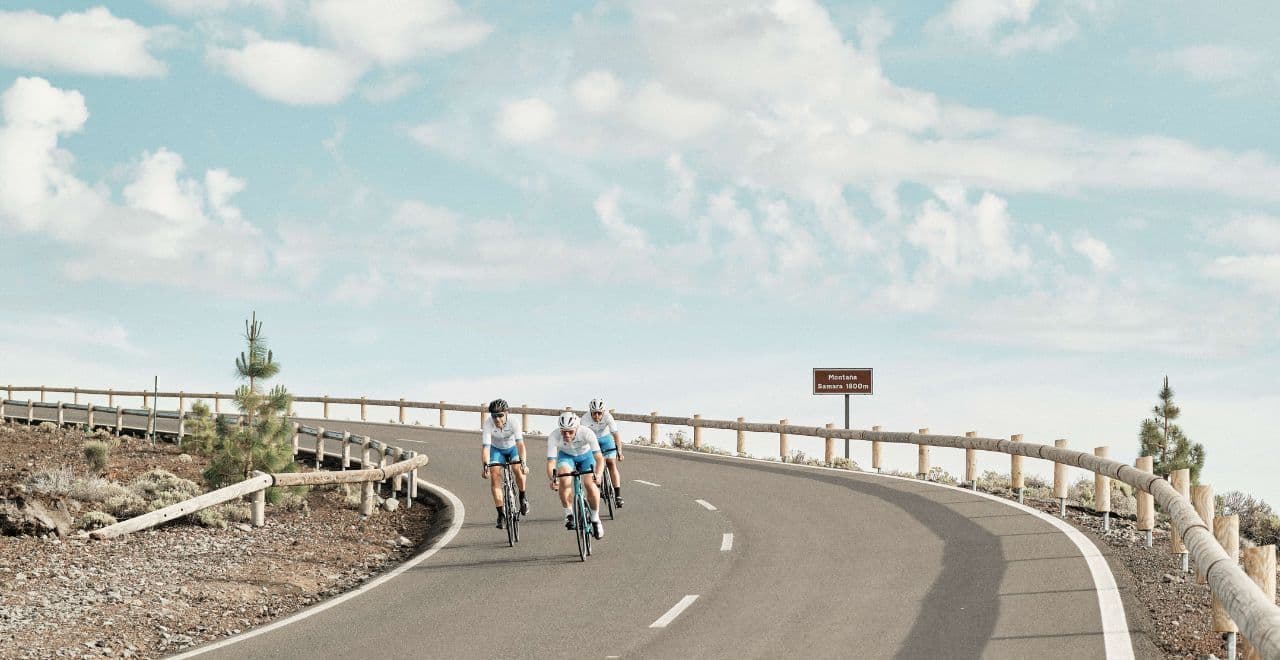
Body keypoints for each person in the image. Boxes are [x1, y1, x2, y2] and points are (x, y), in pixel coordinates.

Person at [547, 411, 605, 540]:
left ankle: (595, 519)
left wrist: (599, 474)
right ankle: (569, 514)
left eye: (570, 432)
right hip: (567, 457)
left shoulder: (586, 433)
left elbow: (599, 458)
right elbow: (551, 462)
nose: (566, 435)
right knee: (563, 478)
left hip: (586, 457)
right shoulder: (554, 436)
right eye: (563, 431)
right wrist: (553, 479)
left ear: (577, 428)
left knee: (590, 484)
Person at [481, 399, 528, 528]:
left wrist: (523, 462)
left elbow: (520, 444)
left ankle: (522, 496)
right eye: (494, 416)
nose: (497, 419)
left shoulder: (514, 422)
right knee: (494, 476)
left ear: (506, 413)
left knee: (517, 468)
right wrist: (485, 465)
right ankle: (501, 514)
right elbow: (486, 447)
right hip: (497, 451)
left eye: (500, 415)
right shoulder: (488, 424)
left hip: (513, 449)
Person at [584, 397, 625, 508]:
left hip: (606, 439)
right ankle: (599, 484)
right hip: (592, 440)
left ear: (603, 412)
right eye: (594, 413)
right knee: (596, 463)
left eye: (599, 413)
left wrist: (619, 452)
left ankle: (618, 496)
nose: (596, 416)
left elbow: (616, 435)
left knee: (611, 463)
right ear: (590, 412)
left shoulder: (608, 416)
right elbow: (582, 439)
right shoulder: (585, 419)